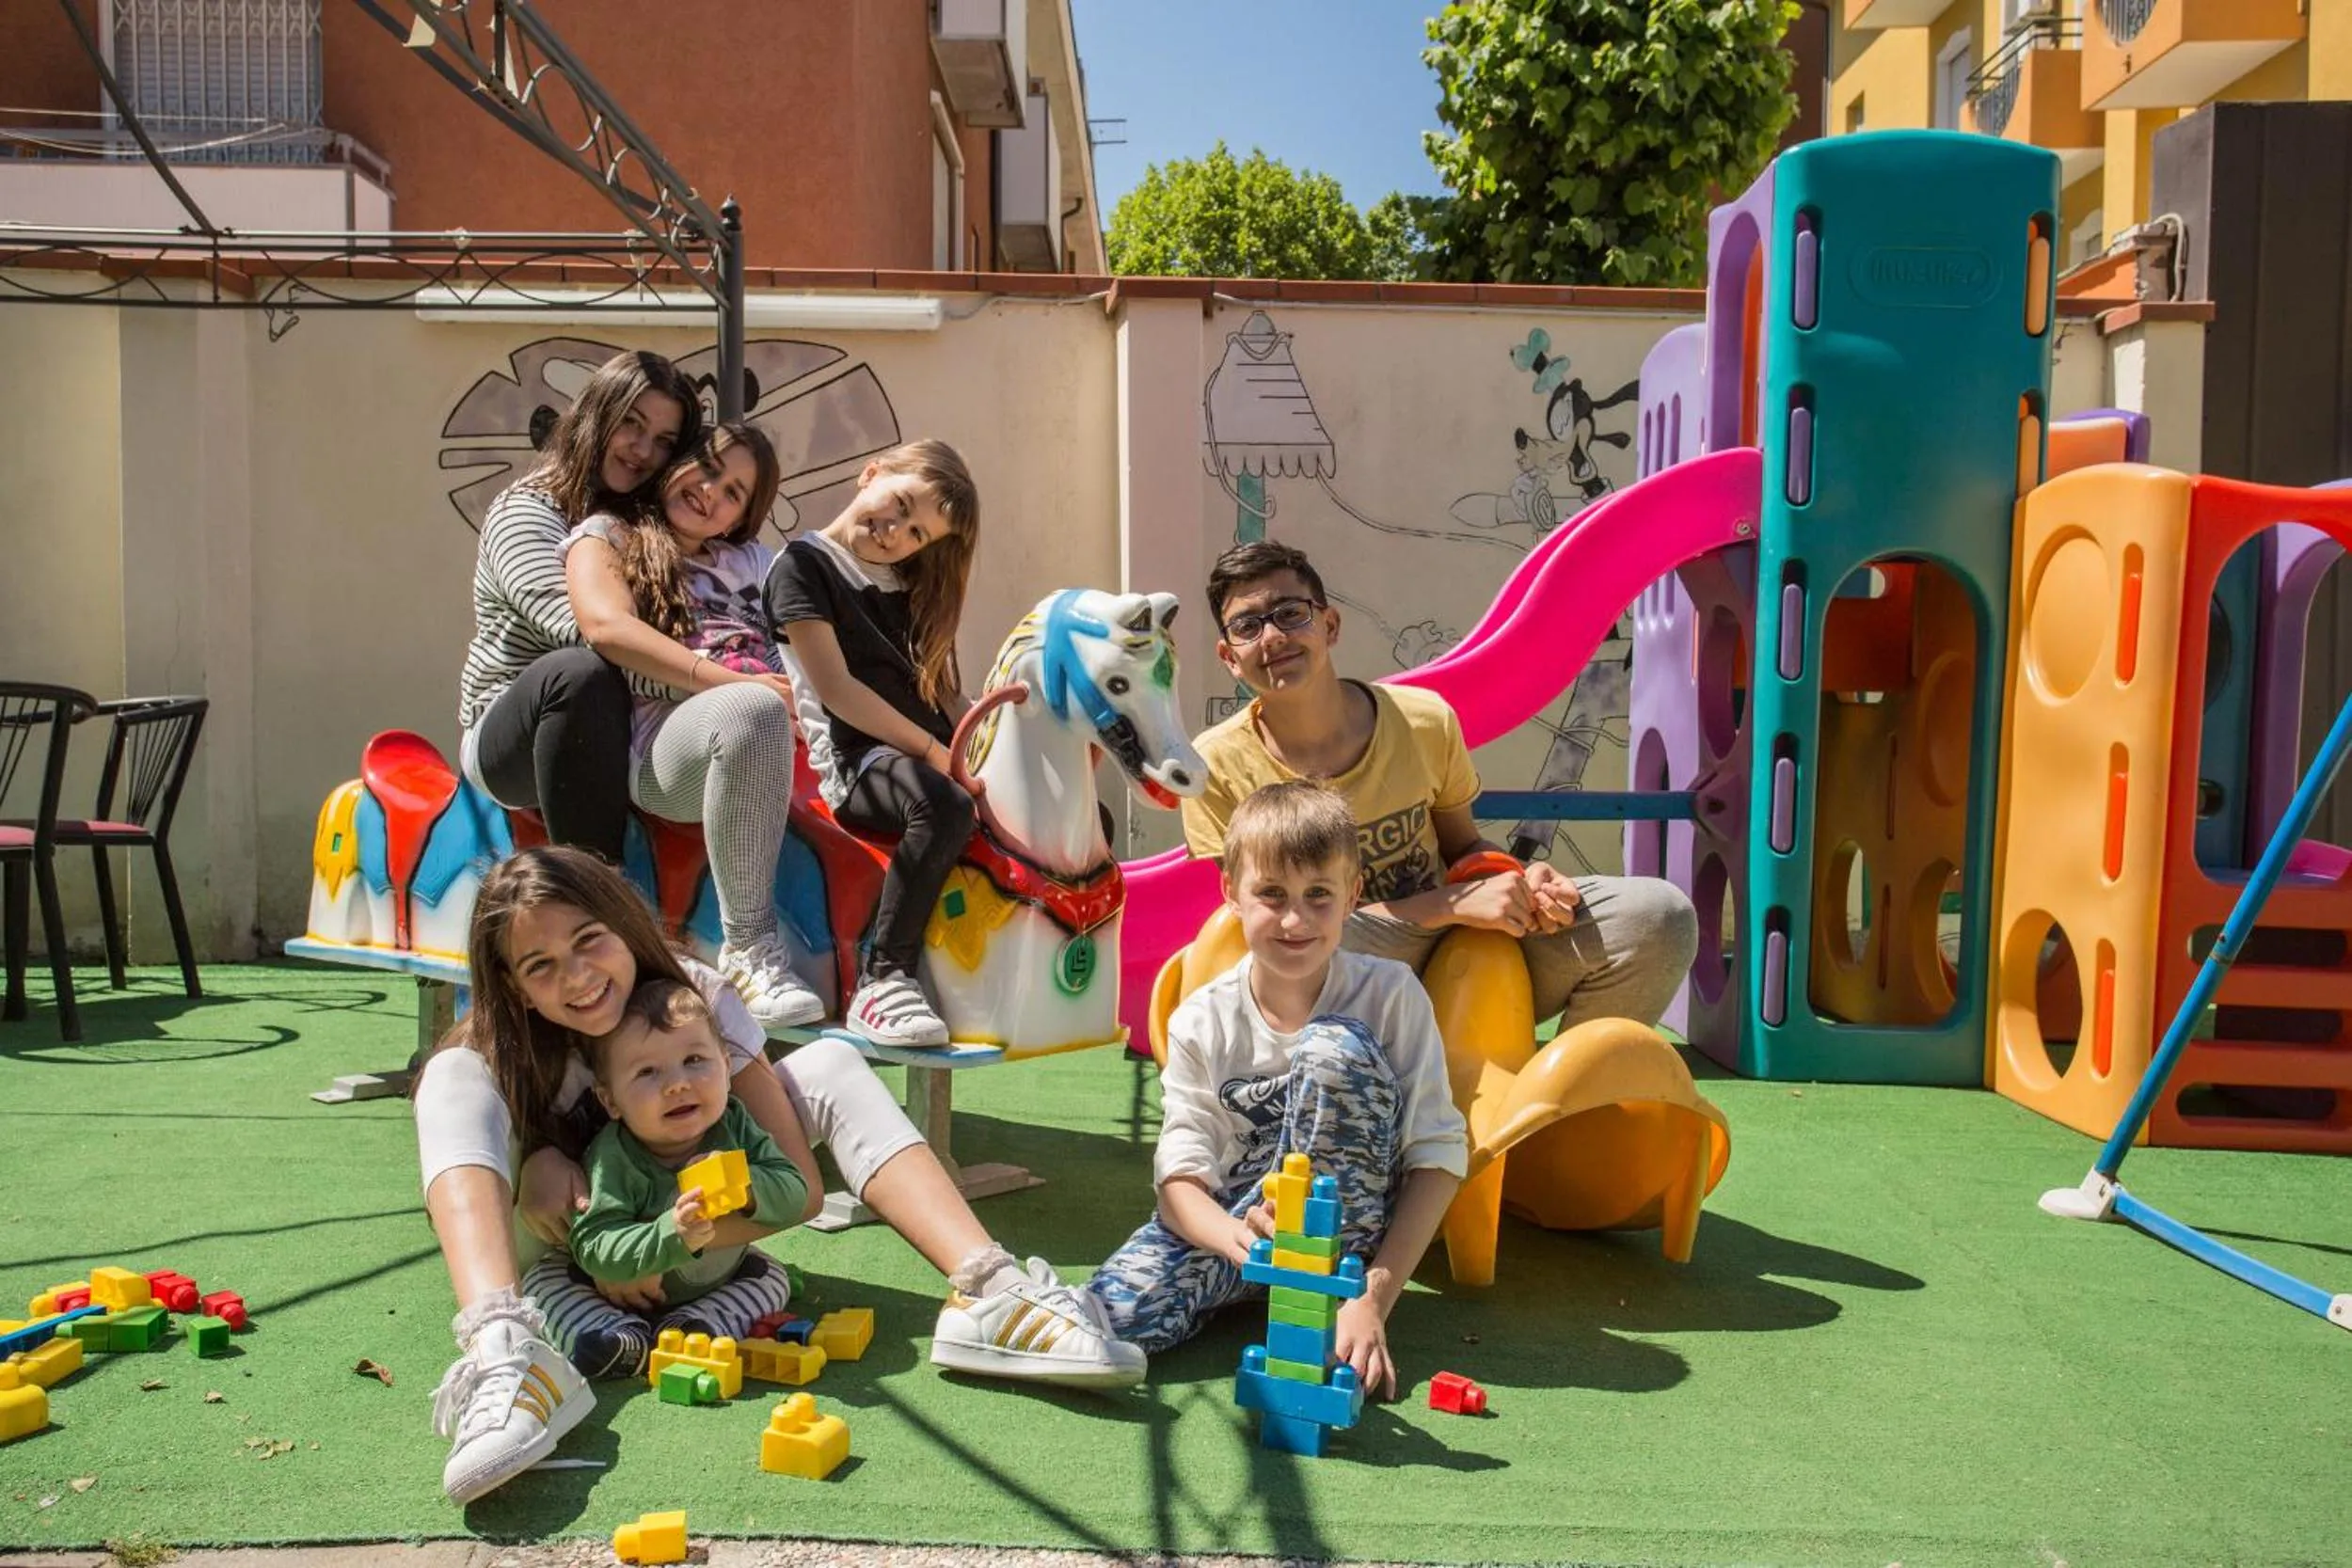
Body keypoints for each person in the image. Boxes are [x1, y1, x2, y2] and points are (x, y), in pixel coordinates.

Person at [416, 846, 1144, 1506]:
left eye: (588, 939)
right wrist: (543, 1159)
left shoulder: (697, 995)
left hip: (694, 1240)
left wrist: (670, 1239)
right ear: (512, 985)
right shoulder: (503, 1044)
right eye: (539, 965)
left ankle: (991, 1289)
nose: (576, 975)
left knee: (829, 1061)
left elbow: (799, 1183)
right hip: (562, 1254)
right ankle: (506, 1353)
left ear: (624, 922)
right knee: (448, 1072)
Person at [1182, 539, 1699, 1037]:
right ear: (1229, 657)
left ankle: (1563, 1098)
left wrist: (1519, 880)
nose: (1272, 637)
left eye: (1290, 613)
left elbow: (1462, 847)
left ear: (1330, 624)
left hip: (1460, 951)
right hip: (1337, 968)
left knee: (1657, 915)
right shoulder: (1215, 764)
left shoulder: (1424, 720)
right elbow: (1262, 919)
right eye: (1248, 627)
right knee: (1297, 942)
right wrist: (1451, 904)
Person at [1085, 782, 1467, 1397]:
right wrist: (1238, 1246)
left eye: (1319, 895)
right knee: (1105, 1314)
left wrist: (1371, 1296)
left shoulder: (1391, 995)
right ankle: (1262, 1292)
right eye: (1272, 894)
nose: (1295, 919)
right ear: (1231, 893)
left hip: (1347, 1236)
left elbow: (1438, 1154)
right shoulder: (1202, 1019)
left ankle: (1326, 1297)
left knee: (1330, 1047)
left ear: (1353, 896)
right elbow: (1180, 1180)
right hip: (1246, 1226)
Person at [564, 420, 822, 1026]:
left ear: (741, 516)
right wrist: (741, 686)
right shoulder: (609, 536)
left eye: (734, 492)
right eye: (707, 467)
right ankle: (750, 950)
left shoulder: (757, 561)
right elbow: (606, 628)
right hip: (666, 748)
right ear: (677, 462)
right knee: (752, 710)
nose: (712, 491)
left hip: (775, 732)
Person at [766, 438, 980, 1049]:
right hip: (860, 763)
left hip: (925, 755)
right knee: (943, 805)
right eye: (901, 504)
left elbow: (941, 693)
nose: (896, 533)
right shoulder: (803, 566)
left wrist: (984, 737)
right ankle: (883, 976)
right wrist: (937, 755)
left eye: (916, 533)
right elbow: (837, 690)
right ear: (872, 473)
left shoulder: (908, 582)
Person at [459, 349, 698, 863]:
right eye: (630, 424)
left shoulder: (652, 523)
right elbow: (590, 634)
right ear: (596, 415)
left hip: (634, 720)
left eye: (663, 442)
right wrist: (714, 680)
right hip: (515, 735)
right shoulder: (525, 511)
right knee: (579, 672)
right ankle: (595, 889)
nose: (641, 450)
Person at [530, 978, 804, 1377]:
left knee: (770, 1277)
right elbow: (593, 1243)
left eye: (694, 1060)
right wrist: (670, 1234)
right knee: (544, 1280)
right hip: (620, 1292)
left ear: (726, 1066)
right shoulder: (614, 1155)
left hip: (715, 1278)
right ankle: (618, 1337)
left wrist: (749, 1188)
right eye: (647, 1072)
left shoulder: (736, 1125)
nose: (677, 1084)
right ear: (611, 1101)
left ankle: (696, 1329)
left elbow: (794, 1191)